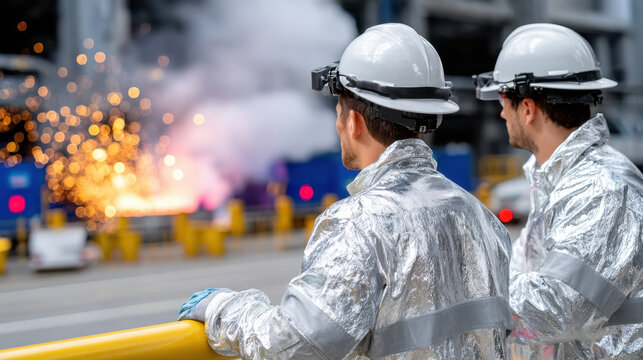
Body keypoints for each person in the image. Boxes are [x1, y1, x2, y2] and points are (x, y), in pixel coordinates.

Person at [178, 23, 513, 359]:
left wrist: (224, 308)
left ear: (354, 122)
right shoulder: (481, 217)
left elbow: (291, 344)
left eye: (338, 112)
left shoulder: (360, 223)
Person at [474, 23, 643, 359]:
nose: (500, 110)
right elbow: (517, 269)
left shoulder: (602, 189)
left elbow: (554, 306)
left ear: (528, 108)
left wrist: (463, 291)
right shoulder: (562, 182)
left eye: (504, 99)